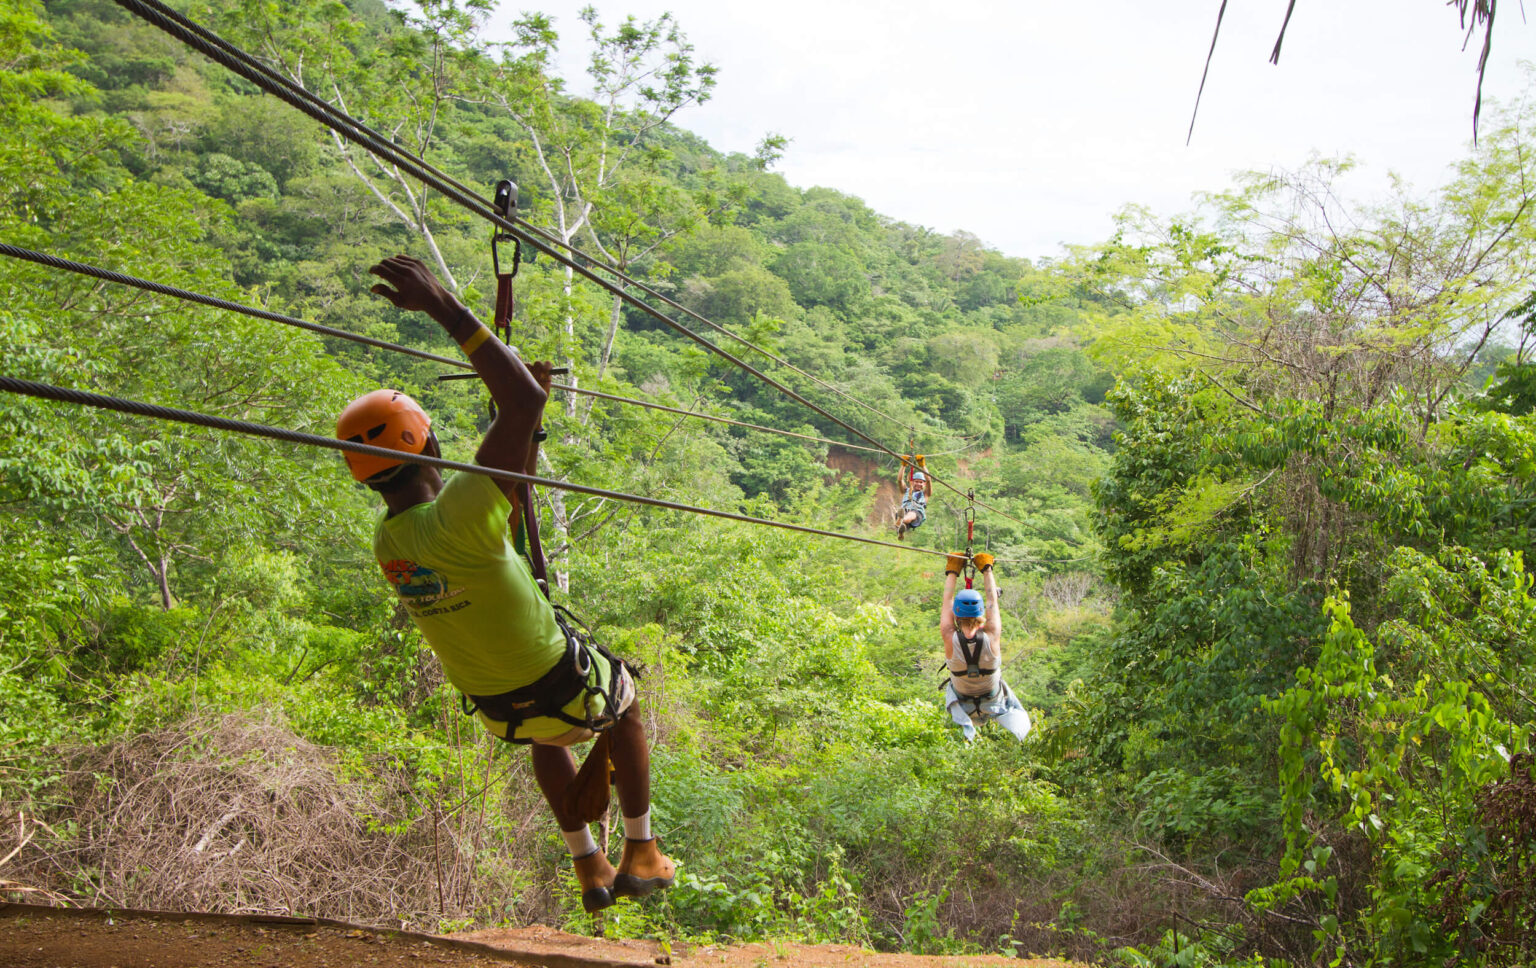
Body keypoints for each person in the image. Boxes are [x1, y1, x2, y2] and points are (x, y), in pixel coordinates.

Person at [336, 254, 673, 913]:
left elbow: (506, 504)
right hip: (557, 682)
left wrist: (525, 426)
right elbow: (518, 410)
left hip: (501, 712)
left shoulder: (393, 543)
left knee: (549, 735)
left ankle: (588, 862)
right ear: (429, 446)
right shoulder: (461, 512)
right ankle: (639, 849)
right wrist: (445, 307)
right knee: (625, 698)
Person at [939, 552, 1031, 742]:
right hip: (992, 702)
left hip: (964, 706)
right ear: (980, 613)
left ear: (956, 615)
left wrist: (953, 571)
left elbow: (947, 602)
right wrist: (986, 570)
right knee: (1001, 685)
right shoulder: (992, 635)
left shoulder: (949, 636)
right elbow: (992, 601)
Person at [896, 455, 931, 539]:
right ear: (912, 482)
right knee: (903, 523)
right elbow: (900, 480)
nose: (918, 484)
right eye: (916, 482)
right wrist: (903, 465)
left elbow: (929, 480)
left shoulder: (925, 494)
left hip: (917, 514)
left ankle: (901, 520)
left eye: (921, 482)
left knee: (910, 515)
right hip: (905, 510)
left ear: (924, 484)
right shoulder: (906, 490)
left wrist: (923, 465)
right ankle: (901, 532)